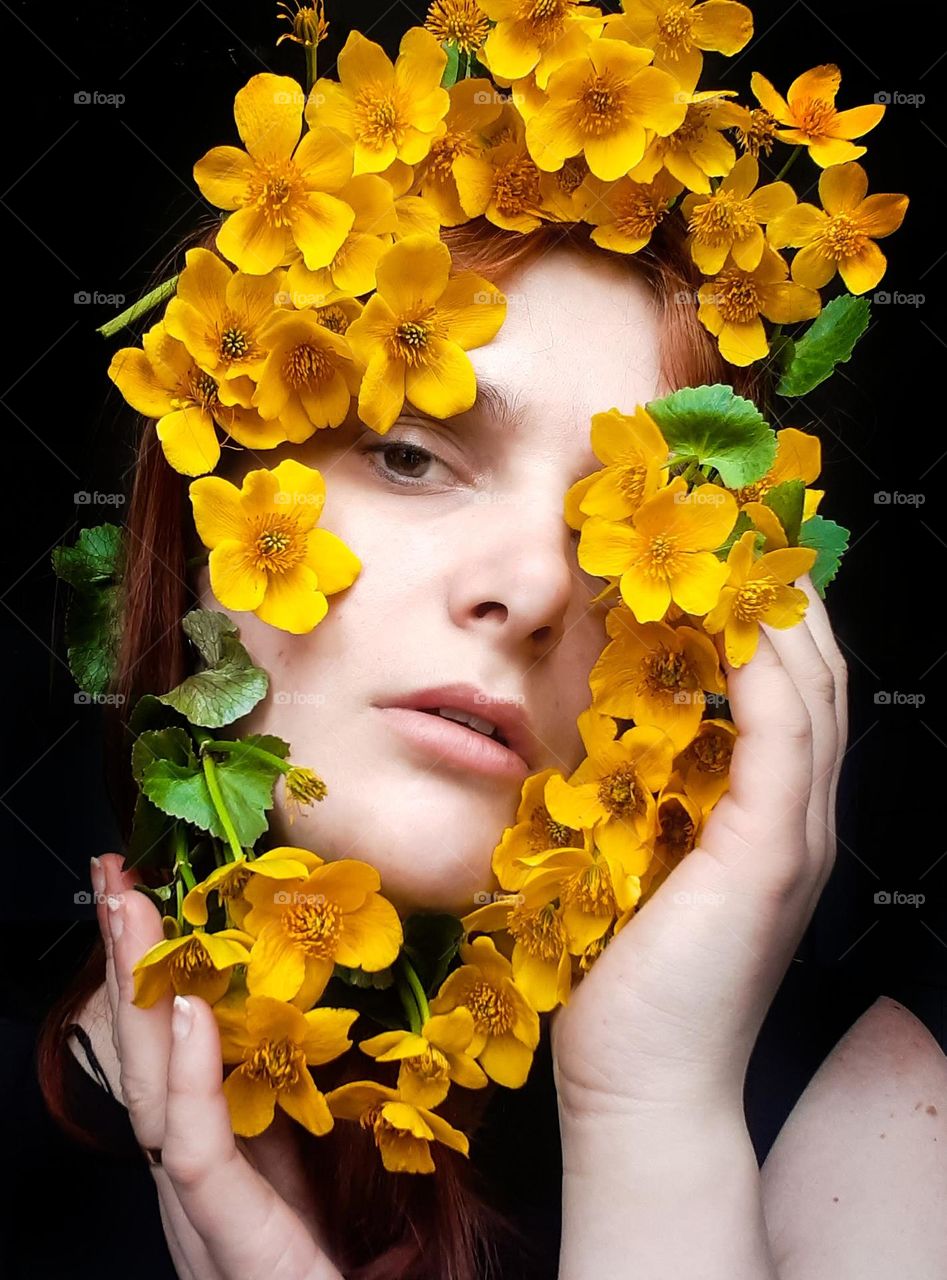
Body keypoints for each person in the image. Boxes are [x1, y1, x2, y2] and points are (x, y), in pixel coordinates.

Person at [30, 214, 947, 1280]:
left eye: (621, 528)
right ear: (200, 523)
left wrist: (650, 1113)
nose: (532, 590)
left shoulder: (871, 1129)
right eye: (412, 455)